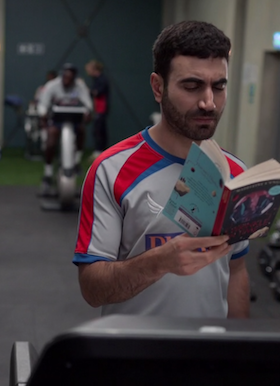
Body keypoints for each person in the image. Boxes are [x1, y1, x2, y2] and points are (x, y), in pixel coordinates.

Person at [74, 20, 250, 319]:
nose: (209, 102)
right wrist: (159, 262)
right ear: (158, 87)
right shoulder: (112, 170)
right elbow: (92, 289)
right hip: (135, 356)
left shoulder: (235, 172)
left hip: (209, 357)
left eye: (218, 86)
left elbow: (236, 270)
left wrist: (239, 352)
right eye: (192, 86)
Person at [36, 63, 93, 196]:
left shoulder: (79, 86)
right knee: (50, 142)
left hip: (73, 119)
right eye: (65, 76)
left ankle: (76, 161)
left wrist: (88, 111)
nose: (67, 80)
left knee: (81, 131)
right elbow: (43, 104)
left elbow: (87, 102)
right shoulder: (52, 86)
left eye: (70, 77)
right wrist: (43, 114)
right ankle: (48, 174)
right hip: (57, 120)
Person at [85, 60, 110, 160]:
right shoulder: (96, 80)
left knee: (99, 131)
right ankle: (100, 151)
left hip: (101, 109)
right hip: (98, 109)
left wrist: (87, 90)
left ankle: (99, 152)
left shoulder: (102, 80)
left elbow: (97, 93)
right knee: (98, 130)